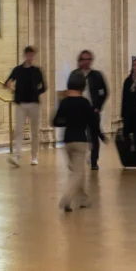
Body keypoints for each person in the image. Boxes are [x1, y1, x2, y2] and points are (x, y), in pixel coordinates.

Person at [53, 70, 92, 212]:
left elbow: (56, 121)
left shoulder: (65, 103)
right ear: (83, 86)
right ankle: (67, 198)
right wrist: (99, 137)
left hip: (67, 141)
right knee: (78, 172)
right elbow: (91, 123)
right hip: (81, 141)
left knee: (76, 170)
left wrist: (67, 119)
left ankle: (84, 198)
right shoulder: (85, 103)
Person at [5, 46, 47, 167]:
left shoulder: (37, 70)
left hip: (34, 103)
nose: (30, 57)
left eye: (32, 55)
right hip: (21, 103)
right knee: (18, 130)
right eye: (28, 55)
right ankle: (16, 156)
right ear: (25, 55)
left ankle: (34, 156)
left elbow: (44, 86)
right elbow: (8, 81)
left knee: (35, 131)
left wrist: (36, 93)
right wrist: (9, 84)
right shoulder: (18, 69)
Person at [76, 50, 108, 170]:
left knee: (93, 136)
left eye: (88, 59)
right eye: (83, 59)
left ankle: (94, 161)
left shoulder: (97, 75)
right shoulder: (75, 74)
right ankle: (80, 158)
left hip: (92, 110)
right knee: (79, 136)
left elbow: (104, 92)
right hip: (79, 110)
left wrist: (98, 107)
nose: (86, 62)